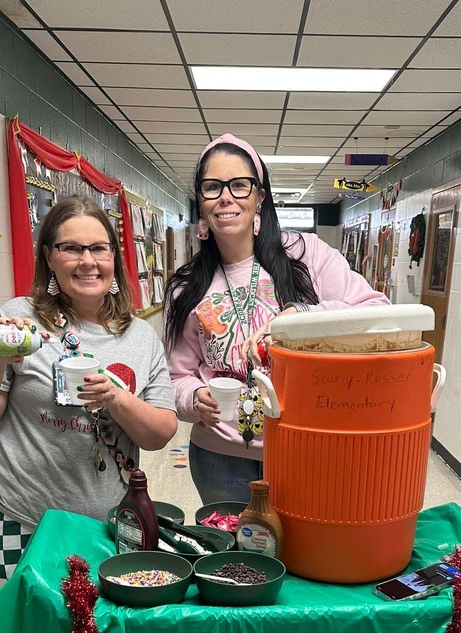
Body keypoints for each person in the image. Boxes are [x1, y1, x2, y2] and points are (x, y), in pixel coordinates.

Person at [0, 196, 177, 598]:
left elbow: (160, 434)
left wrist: (116, 398)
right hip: (15, 517)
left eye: (98, 248)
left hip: (107, 524)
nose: (87, 260)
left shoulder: (140, 337)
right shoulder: (19, 319)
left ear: (114, 257)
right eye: (71, 248)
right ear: (49, 258)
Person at [162, 133, 389, 504]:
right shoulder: (184, 287)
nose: (226, 198)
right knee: (237, 558)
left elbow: (377, 311)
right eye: (212, 187)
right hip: (221, 456)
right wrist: (193, 398)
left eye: (239, 185)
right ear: (200, 203)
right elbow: (177, 375)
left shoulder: (305, 253)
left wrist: (298, 317)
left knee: (307, 555)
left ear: (259, 197)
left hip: (308, 446)